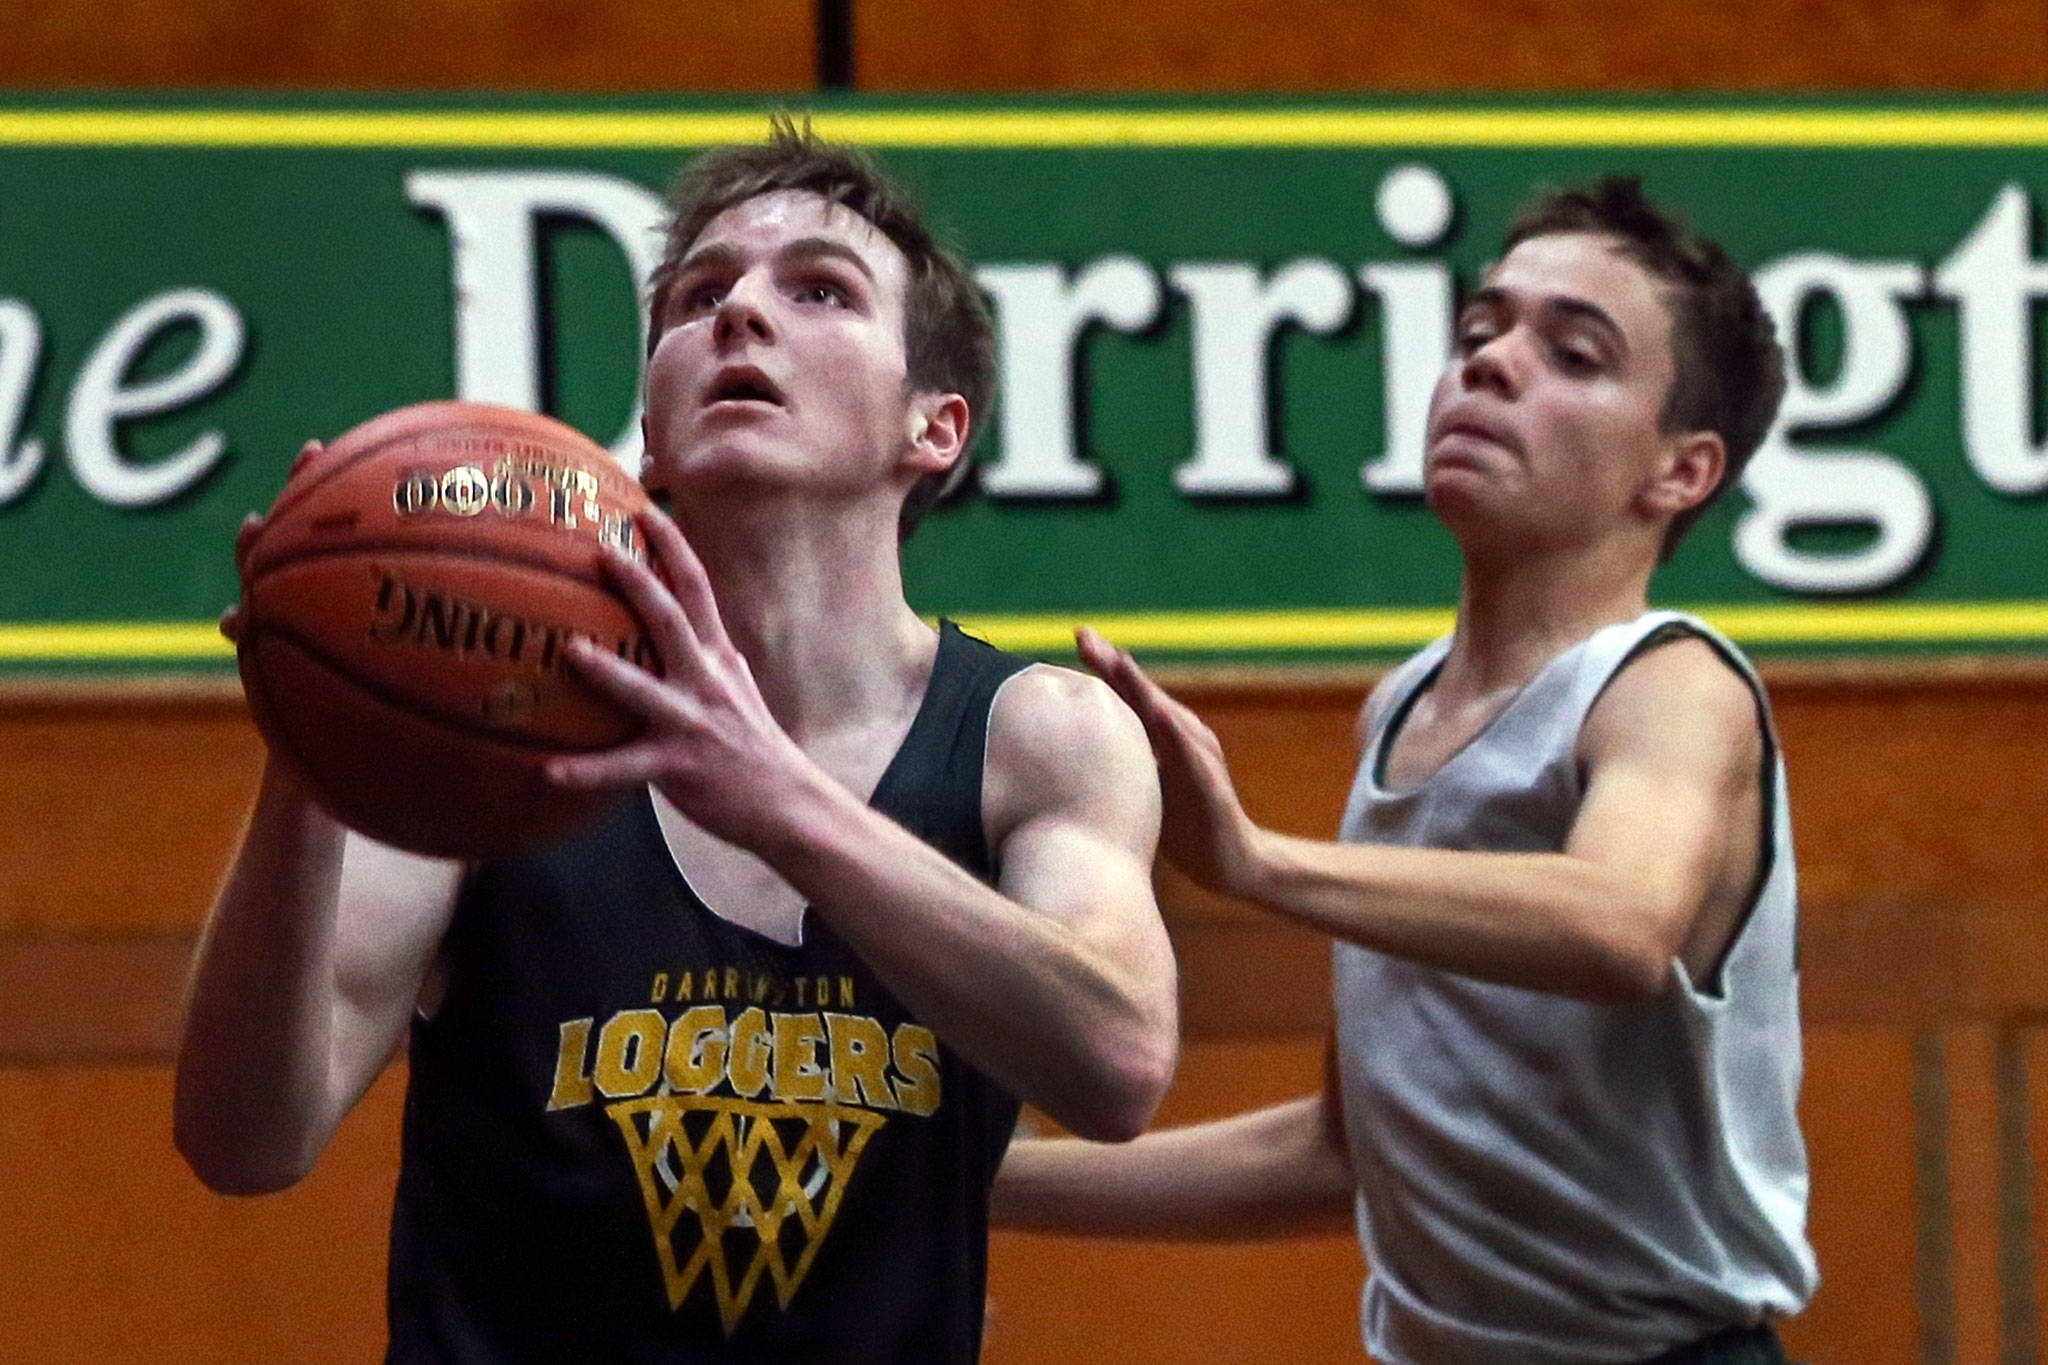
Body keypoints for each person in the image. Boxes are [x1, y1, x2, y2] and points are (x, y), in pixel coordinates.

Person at [173, 120, 1178, 1364]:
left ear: (934, 430)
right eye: (698, 297)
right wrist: (314, 762)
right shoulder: (498, 719)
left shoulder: (1041, 734)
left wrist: (779, 802)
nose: (740, 313)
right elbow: (243, 1142)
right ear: (649, 427)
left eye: (818, 289)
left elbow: (1119, 1062)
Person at [994, 179, 1818, 1365]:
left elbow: (1620, 926)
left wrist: (1254, 863)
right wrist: (966, 1183)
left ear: (1680, 471)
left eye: (1573, 355)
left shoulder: (1670, 685)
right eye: (1479, 332)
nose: (1489, 366)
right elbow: (1347, 1152)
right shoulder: (1399, 710)